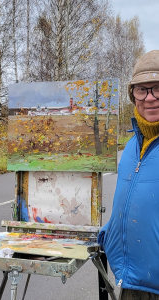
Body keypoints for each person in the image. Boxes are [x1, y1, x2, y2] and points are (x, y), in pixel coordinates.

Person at [98, 50, 159, 300]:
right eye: (142, 90)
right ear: (132, 95)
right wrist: (108, 233)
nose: (150, 98)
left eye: (157, 88)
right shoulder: (132, 147)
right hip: (130, 282)